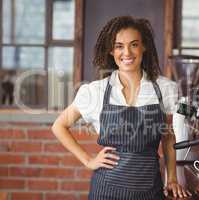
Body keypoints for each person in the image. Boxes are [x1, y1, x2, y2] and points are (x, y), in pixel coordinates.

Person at [52, 16, 191, 199]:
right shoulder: (95, 91)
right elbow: (59, 126)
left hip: (149, 191)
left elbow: (167, 137)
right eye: (119, 46)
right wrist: (88, 160)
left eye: (134, 44)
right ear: (111, 51)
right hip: (105, 191)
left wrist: (171, 178)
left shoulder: (165, 89)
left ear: (144, 47)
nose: (127, 52)